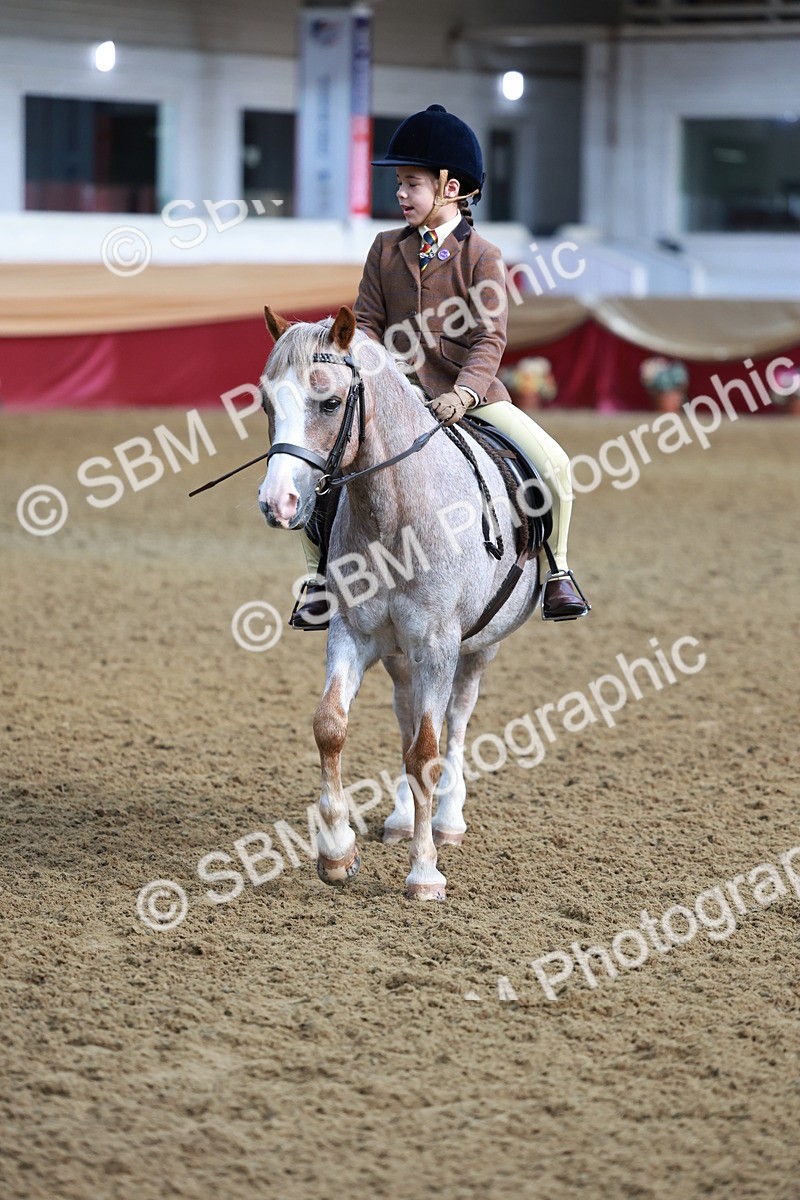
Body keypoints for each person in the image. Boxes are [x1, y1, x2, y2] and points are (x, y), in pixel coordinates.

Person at [292, 103, 589, 629]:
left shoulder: (483, 256)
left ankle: (557, 570)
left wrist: (466, 394)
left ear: (450, 187)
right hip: (396, 399)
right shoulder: (385, 249)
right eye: (399, 184)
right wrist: (368, 375)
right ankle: (319, 579)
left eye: (411, 184)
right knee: (319, 465)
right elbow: (366, 325)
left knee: (556, 465)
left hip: (467, 398)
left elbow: (489, 336)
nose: (400, 194)